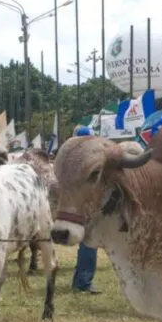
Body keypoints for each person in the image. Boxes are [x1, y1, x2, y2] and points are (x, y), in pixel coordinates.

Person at [70, 125, 101, 295]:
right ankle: (83, 281)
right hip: (85, 206)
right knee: (89, 242)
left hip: (75, 206)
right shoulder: (86, 160)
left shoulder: (71, 158)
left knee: (86, 244)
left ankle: (80, 280)